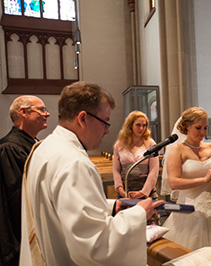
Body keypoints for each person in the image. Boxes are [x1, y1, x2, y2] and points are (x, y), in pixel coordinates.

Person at [19, 82, 163, 265]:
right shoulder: (74, 163)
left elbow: (60, 206)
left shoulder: (44, 148)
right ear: (83, 118)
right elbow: (95, 245)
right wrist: (139, 214)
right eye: (105, 122)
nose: (107, 130)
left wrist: (111, 206)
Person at [162, 107, 211, 252]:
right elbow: (174, 182)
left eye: (205, 128)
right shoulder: (178, 150)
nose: (202, 132)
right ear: (187, 126)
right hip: (188, 210)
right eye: (198, 128)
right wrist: (204, 179)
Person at [0, 96, 50, 266]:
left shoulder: (32, 143)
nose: (47, 114)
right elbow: (18, 198)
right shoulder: (10, 148)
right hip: (21, 234)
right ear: (23, 112)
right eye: (41, 110)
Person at [113, 110, 160, 224]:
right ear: (130, 126)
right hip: (126, 190)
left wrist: (143, 192)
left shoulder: (150, 144)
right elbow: (116, 170)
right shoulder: (119, 145)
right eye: (138, 125)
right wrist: (122, 191)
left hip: (145, 190)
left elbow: (154, 171)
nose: (141, 128)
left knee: (149, 226)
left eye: (144, 125)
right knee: (127, 225)